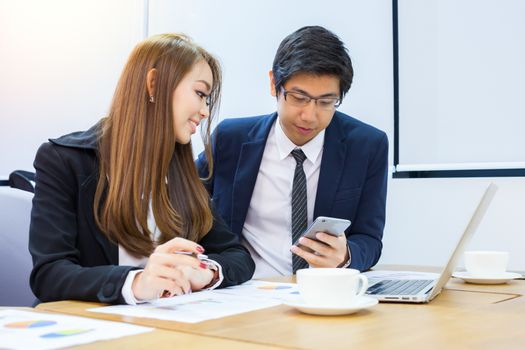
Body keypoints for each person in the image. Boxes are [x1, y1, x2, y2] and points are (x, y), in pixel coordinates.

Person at [29, 33, 255, 304]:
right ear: (154, 83)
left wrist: (205, 272)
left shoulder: (181, 173)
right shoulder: (64, 160)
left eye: (207, 99)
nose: (205, 110)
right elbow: (50, 274)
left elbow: (237, 256)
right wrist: (137, 282)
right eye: (200, 93)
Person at [196, 26, 388, 278]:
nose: (309, 116)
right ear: (274, 84)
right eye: (298, 97)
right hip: (247, 291)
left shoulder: (367, 146)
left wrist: (345, 256)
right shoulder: (229, 139)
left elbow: (370, 239)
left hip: (323, 292)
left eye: (326, 102)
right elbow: (185, 205)